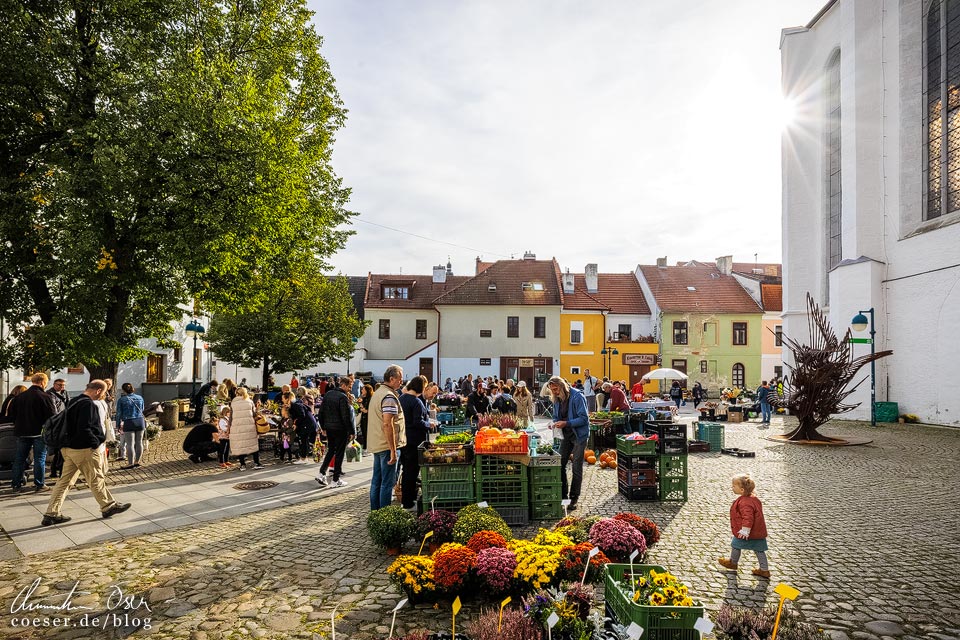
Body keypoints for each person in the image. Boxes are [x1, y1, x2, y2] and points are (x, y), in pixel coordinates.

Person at [41, 380, 131, 526]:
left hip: (68, 448)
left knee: (64, 482)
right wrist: (96, 443)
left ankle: (51, 513)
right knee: (96, 477)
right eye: (103, 393)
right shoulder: (88, 404)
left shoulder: (74, 400)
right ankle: (108, 506)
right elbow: (85, 428)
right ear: (97, 391)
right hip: (83, 449)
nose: (102, 396)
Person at [9, 372, 56, 492]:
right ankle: (39, 484)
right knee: (39, 458)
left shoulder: (19, 397)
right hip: (39, 432)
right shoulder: (45, 397)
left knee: (19, 458)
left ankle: (16, 484)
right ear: (42, 382)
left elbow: (12, 415)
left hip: (22, 432)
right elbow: (51, 416)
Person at [548, 376, 589, 511]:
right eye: (552, 390)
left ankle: (574, 498)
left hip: (579, 435)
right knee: (560, 464)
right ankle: (563, 496)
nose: (554, 392)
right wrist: (554, 423)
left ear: (562, 386)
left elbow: (584, 418)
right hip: (566, 434)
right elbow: (555, 416)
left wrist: (567, 423)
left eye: (556, 389)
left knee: (577, 467)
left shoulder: (577, 397)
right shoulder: (556, 399)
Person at [718, 473, 771, 579]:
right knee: (759, 550)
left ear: (742, 490)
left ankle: (733, 562)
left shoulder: (745, 502)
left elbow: (748, 518)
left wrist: (745, 530)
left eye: (733, 486)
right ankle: (764, 570)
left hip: (747, 532)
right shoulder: (753, 498)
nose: (732, 487)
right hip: (758, 532)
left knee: (736, 545)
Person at [368, 365, 406, 510]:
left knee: (376, 481)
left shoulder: (378, 393)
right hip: (386, 445)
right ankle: (384, 513)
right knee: (386, 483)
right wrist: (392, 449)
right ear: (392, 379)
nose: (401, 382)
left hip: (377, 444)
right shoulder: (389, 397)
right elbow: (387, 424)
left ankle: (375, 512)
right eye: (400, 379)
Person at [316, 377, 355, 488]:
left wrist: (323, 427)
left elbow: (321, 412)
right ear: (343, 385)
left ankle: (322, 472)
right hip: (340, 429)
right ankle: (336, 479)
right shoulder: (343, 397)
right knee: (339, 453)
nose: (350, 389)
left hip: (329, 428)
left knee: (331, 451)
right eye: (349, 387)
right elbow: (346, 417)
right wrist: (351, 431)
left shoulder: (328, 394)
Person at [398, 376, 430, 510]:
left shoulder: (402, 399)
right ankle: (408, 503)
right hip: (415, 441)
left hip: (404, 439)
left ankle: (407, 500)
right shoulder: (416, 402)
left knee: (406, 471)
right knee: (412, 472)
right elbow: (418, 422)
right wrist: (430, 424)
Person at [228, 387, 263, 470]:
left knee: (241, 446)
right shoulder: (249, 401)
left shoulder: (233, 402)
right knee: (253, 445)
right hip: (249, 427)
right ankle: (256, 463)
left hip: (237, 427)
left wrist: (229, 427)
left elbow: (231, 416)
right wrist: (258, 408)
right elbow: (254, 414)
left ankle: (242, 465)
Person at [116, 383, 146, 469]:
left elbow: (118, 413)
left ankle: (130, 463)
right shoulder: (140, 398)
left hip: (129, 421)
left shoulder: (122, 400)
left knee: (130, 444)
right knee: (139, 442)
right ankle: (137, 461)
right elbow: (142, 409)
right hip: (140, 421)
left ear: (123, 390)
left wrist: (118, 425)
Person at [358, 383, 373, 448]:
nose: (361, 391)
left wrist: (362, 408)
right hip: (363, 419)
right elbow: (361, 409)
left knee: (367, 433)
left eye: (363, 390)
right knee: (364, 433)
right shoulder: (364, 399)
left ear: (367, 391)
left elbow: (368, 410)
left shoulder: (370, 399)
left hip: (368, 419)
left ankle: (367, 447)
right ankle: (365, 446)